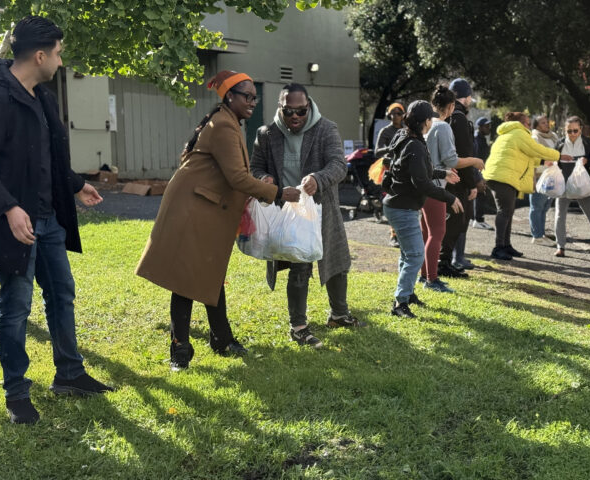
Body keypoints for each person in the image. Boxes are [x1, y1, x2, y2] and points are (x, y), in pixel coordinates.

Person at [0, 16, 113, 424]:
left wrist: (74, 185)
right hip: (14, 224)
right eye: (58, 53)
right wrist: (8, 207)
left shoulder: (42, 96)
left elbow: (49, 155)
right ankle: (17, 393)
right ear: (40, 55)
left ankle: (69, 373)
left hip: (49, 220)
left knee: (62, 294)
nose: (60, 59)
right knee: (16, 307)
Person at [136, 71, 299, 370]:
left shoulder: (228, 121)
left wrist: (262, 185)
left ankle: (221, 339)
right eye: (247, 96)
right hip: (192, 210)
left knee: (209, 273)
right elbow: (237, 177)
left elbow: (235, 174)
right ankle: (180, 351)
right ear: (229, 97)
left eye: (254, 96)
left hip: (203, 207)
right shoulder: (223, 125)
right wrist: (277, 193)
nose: (252, 101)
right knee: (185, 281)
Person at [251, 83, 363, 349]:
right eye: (289, 111)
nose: (295, 117)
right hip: (288, 215)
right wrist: (265, 180)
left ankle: (339, 315)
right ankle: (298, 327)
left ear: (309, 106)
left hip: (322, 209)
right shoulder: (266, 134)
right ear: (281, 108)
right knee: (300, 267)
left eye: (301, 111)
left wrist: (318, 178)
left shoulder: (326, 129)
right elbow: (255, 167)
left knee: (336, 262)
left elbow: (339, 165)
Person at [382, 100, 462, 317]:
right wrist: (449, 197)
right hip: (402, 206)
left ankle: (406, 294)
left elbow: (419, 172)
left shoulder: (405, 137)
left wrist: (442, 173)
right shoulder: (415, 144)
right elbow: (422, 183)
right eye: (430, 119)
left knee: (408, 253)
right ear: (426, 121)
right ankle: (400, 304)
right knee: (416, 255)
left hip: (397, 203)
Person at [482, 112, 565, 260]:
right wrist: (558, 155)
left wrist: (541, 162)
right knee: (504, 212)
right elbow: (536, 149)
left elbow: (525, 156)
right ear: (520, 123)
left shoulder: (509, 134)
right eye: (527, 122)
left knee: (508, 212)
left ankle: (506, 246)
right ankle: (498, 247)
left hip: (501, 175)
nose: (529, 125)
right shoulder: (519, 133)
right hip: (502, 177)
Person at [554, 116, 590, 257]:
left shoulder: (587, 143)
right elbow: (554, 160)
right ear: (565, 130)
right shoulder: (560, 144)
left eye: (575, 130)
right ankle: (560, 246)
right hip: (564, 183)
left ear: (580, 129)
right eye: (569, 131)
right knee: (559, 215)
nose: (572, 134)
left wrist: (587, 160)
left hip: (583, 183)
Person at [440, 78, 483, 274]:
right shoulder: (459, 119)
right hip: (457, 180)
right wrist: (472, 183)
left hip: (443, 177)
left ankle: (444, 262)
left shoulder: (444, 117)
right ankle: (443, 264)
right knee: (455, 223)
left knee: (446, 224)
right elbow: (464, 154)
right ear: (466, 98)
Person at [375, 103, 405, 247]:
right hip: (389, 170)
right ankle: (394, 235)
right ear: (389, 115)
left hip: (405, 170)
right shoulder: (385, 131)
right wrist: (390, 148)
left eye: (399, 113)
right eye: (393, 113)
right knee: (393, 202)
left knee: (404, 203)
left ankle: (403, 233)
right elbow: (377, 151)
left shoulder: (406, 131)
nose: (396, 116)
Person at [530, 115, 559, 245]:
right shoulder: (535, 138)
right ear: (536, 126)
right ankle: (537, 236)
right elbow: (532, 158)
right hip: (540, 176)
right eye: (543, 123)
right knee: (537, 206)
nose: (546, 124)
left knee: (545, 207)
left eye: (547, 122)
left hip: (553, 176)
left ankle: (541, 233)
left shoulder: (553, 136)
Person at [471, 116, 494, 230]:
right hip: (478, 170)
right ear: (480, 127)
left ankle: (474, 218)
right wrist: (479, 175)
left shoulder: (481, 138)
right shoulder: (477, 139)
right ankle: (478, 220)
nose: (489, 128)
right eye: (486, 126)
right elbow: (477, 157)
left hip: (480, 170)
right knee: (480, 194)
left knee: (478, 195)